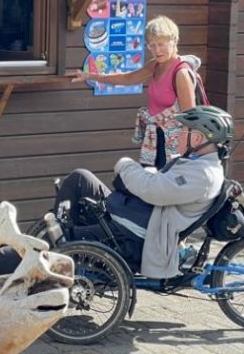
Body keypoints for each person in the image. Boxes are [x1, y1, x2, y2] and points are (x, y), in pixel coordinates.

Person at [53, 105, 232, 279]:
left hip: (137, 233)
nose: (176, 135)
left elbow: (152, 190)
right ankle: (58, 241)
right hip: (134, 214)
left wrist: (125, 165)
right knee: (80, 178)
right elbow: (163, 185)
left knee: (64, 238)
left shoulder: (203, 175)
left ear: (197, 138)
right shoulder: (196, 164)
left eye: (182, 130)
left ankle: (53, 254)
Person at [73, 15, 198, 168]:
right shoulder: (156, 65)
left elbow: (190, 120)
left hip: (174, 144)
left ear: (175, 41)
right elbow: (128, 79)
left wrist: (182, 156)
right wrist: (90, 76)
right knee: (149, 185)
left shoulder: (181, 73)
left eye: (161, 44)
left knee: (164, 188)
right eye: (151, 45)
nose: (157, 50)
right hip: (155, 137)